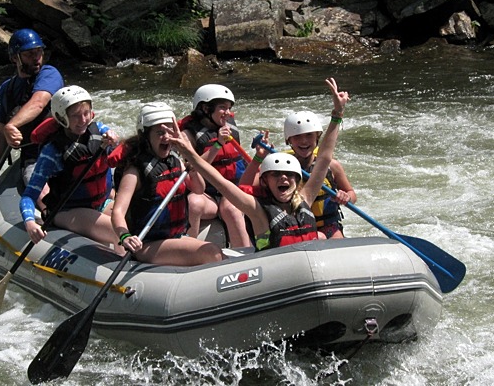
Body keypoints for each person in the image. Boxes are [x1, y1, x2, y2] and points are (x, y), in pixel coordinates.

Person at [169, 78, 349, 251]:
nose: (284, 178)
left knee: (323, 238)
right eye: (276, 175)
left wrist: (337, 114)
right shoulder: (257, 211)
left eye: (289, 175)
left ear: (297, 180)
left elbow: (324, 158)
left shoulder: (305, 198)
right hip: (275, 272)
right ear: (264, 182)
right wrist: (189, 153)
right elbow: (218, 180)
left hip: (307, 265)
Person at [110, 102, 226, 266]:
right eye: (159, 132)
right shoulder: (135, 171)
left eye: (170, 131)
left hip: (174, 238)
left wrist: (192, 167)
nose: (166, 137)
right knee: (212, 253)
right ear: (145, 136)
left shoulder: (175, 161)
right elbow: (118, 211)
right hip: (146, 244)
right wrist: (125, 236)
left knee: (218, 254)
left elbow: (199, 189)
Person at [19, 85, 124, 256]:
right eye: (75, 115)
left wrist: (115, 142)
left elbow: (122, 153)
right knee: (117, 231)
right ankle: (118, 269)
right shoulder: (52, 152)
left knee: (130, 222)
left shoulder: (101, 132)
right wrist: (30, 222)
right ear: (62, 117)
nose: (83, 120)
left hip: (100, 203)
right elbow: (29, 194)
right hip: (67, 210)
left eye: (86, 113)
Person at [0, 28, 64, 203]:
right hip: (34, 156)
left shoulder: (49, 74)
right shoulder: (7, 89)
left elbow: (39, 102)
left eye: (39, 52)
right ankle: (48, 216)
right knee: (40, 192)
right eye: (29, 54)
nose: (36, 58)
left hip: (62, 147)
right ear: (15, 58)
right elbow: (0, 133)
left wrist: (11, 126)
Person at [179, 84, 252, 248]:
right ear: (205, 108)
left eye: (228, 108)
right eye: (222, 108)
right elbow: (194, 167)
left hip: (232, 189)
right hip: (208, 194)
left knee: (231, 208)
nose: (227, 113)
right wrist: (217, 145)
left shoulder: (229, 127)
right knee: (194, 203)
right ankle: (190, 251)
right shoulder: (187, 134)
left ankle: (246, 254)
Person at [283, 109, 357, 238]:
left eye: (309, 135)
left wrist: (346, 197)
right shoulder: (281, 167)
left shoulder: (332, 166)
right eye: (297, 136)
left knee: (336, 238)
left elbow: (351, 193)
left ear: (317, 136)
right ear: (289, 140)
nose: (304, 141)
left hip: (327, 226)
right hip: (296, 226)